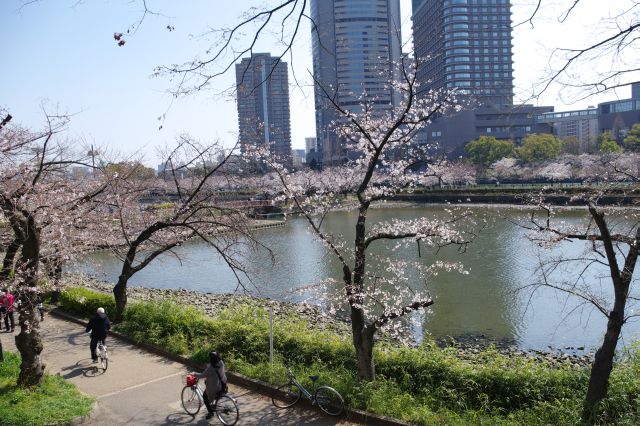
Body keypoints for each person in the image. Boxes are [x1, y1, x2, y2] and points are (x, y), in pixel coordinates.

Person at [193, 351, 228, 420]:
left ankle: (210, 412)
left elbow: (202, 375)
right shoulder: (221, 363)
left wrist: (194, 374)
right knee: (209, 390)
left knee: (205, 397)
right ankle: (213, 404)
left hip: (215, 388)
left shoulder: (211, 368)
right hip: (222, 385)